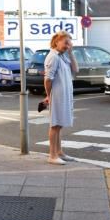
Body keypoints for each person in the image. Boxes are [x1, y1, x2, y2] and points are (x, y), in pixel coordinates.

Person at [43, 30, 78, 165]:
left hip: (64, 95)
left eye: (69, 43)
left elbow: (76, 69)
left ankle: (59, 152)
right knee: (55, 124)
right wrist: (49, 95)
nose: (68, 45)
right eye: (65, 43)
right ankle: (52, 155)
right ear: (56, 41)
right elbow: (47, 79)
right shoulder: (53, 57)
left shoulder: (63, 56)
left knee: (60, 124)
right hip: (57, 95)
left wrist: (70, 52)